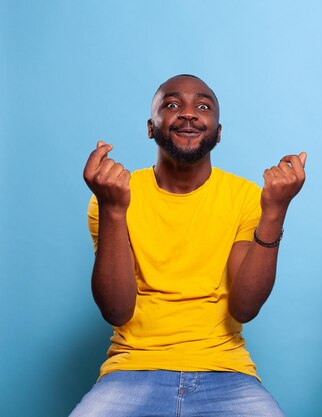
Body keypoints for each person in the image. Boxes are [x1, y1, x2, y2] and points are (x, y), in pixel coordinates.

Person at [70, 74, 306, 417]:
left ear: (218, 132)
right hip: (133, 368)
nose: (189, 114)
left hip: (225, 370)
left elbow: (245, 308)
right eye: (172, 104)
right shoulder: (116, 193)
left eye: (203, 106)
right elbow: (117, 310)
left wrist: (275, 211)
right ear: (151, 127)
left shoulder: (244, 197)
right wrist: (113, 209)